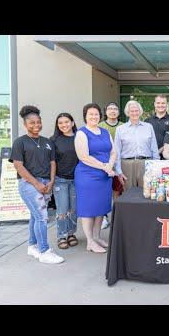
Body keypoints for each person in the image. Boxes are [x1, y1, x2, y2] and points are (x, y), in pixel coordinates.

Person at [9, 105, 64, 264]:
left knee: (36, 215)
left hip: (47, 183)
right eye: (32, 123)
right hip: (28, 184)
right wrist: (36, 183)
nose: (36, 125)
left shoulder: (47, 142)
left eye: (38, 122)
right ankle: (44, 250)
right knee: (42, 217)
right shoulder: (20, 142)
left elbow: (52, 162)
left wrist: (52, 181)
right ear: (25, 124)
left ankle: (32, 245)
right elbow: (18, 166)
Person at [74, 103, 117, 254]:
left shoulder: (105, 132)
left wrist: (109, 166)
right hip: (88, 176)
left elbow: (113, 152)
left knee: (101, 208)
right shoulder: (82, 133)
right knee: (88, 209)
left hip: (105, 176)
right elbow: (84, 157)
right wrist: (105, 167)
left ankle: (97, 237)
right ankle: (90, 241)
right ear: (85, 116)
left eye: (96, 114)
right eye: (90, 114)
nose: (94, 116)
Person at [114, 100, 159, 191]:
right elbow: (117, 152)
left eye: (136, 110)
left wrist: (156, 166)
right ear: (127, 113)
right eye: (132, 111)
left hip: (146, 164)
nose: (134, 113)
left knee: (146, 192)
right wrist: (118, 171)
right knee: (128, 195)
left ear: (140, 112)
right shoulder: (120, 129)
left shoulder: (148, 127)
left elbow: (154, 148)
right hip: (127, 165)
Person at [50, 113, 79, 250]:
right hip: (60, 180)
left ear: (72, 123)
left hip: (77, 180)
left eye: (66, 122)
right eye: (60, 123)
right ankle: (61, 235)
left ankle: (71, 234)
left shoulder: (80, 137)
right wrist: (51, 180)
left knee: (74, 209)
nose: (64, 125)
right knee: (62, 209)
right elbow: (51, 162)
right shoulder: (54, 140)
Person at [99, 102, 124, 198]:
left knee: (117, 189)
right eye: (110, 109)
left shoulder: (123, 126)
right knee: (104, 189)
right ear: (105, 112)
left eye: (115, 109)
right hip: (104, 162)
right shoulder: (100, 126)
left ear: (118, 112)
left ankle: (115, 211)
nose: (112, 111)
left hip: (119, 162)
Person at [145, 95, 169, 159]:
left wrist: (159, 151)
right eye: (158, 103)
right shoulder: (147, 121)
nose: (160, 105)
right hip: (150, 156)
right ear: (154, 104)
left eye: (163, 103)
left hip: (167, 157)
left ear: (167, 104)